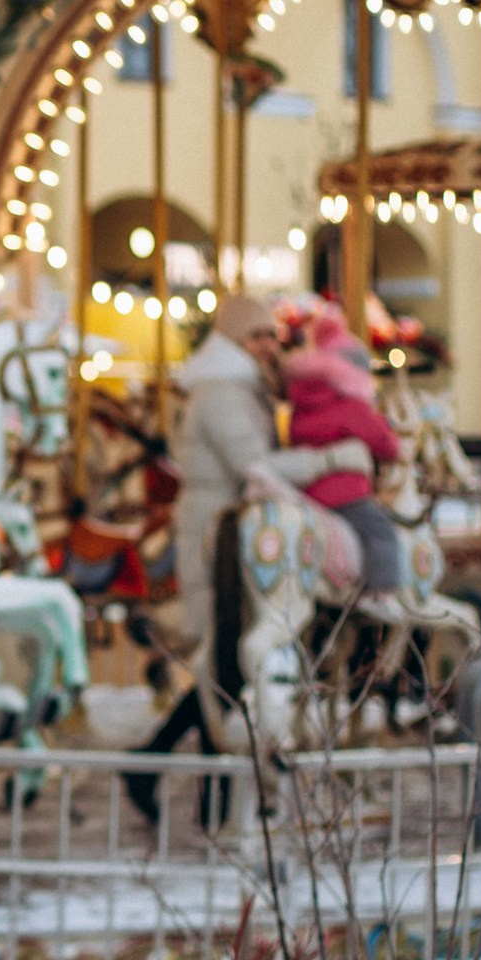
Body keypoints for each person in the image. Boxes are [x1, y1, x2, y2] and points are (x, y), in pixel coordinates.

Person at [126, 295, 371, 823]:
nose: (268, 346)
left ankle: (186, 780)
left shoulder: (243, 388)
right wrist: (332, 457)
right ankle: (163, 767)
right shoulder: (220, 393)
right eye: (257, 337)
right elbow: (252, 464)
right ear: (234, 341)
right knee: (221, 653)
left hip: (239, 528)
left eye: (270, 337)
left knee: (227, 655)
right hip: (217, 530)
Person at [282, 312, 404, 599]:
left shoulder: (302, 404)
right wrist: (393, 442)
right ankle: (380, 592)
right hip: (345, 494)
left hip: (307, 490)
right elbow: (383, 443)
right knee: (380, 531)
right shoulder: (350, 405)